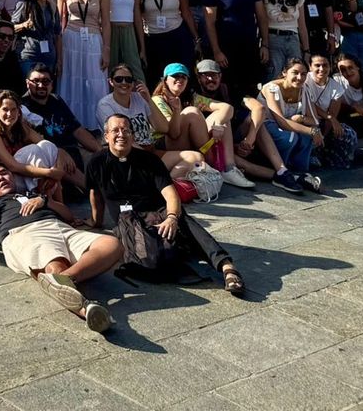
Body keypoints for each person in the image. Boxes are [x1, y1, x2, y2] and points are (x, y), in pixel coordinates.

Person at [0, 163, 117, 331]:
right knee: (56, 263)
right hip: (25, 233)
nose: (0, 177)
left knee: (111, 244)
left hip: (61, 228)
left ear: (12, 178)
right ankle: (87, 310)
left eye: (4, 173)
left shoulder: (32, 194)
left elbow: (68, 216)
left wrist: (45, 200)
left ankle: (64, 279)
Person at [87, 114, 246, 297]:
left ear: (133, 136)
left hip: (158, 212)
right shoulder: (96, 163)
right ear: (106, 136)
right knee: (150, 259)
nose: (121, 134)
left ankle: (227, 267)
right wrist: (95, 221)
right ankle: (178, 247)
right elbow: (95, 195)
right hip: (129, 219)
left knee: (183, 219)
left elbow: (170, 194)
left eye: (126, 130)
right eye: (115, 130)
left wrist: (171, 217)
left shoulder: (149, 160)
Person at [191, 59, 298, 191]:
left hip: (231, 138)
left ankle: (282, 170)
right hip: (209, 142)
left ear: (220, 76)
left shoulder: (228, 90)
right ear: (198, 78)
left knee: (256, 122)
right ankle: (284, 177)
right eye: (205, 75)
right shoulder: (194, 96)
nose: (210, 79)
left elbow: (259, 108)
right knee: (226, 123)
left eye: (214, 75)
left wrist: (249, 139)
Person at [96, 64, 204, 172]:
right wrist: (149, 158)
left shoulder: (139, 98)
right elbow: (118, 138)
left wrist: (148, 99)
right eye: (119, 79)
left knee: (196, 158)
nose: (124, 82)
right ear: (111, 82)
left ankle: (166, 180)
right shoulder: (105, 105)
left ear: (133, 82)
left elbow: (163, 128)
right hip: (130, 156)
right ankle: (161, 180)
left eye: (128, 79)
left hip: (151, 150)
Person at [0, 88, 81, 196]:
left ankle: (88, 186)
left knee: (46, 146)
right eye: (5, 109)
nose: (9, 114)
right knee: (33, 150)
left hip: (23, 174)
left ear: (19, 112)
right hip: (4, 179)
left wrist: (61, 153)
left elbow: (47, 145)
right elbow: (12, 166)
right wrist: (50, 173)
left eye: (13, 109)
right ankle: (51, 198)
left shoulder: (21, 127)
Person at [148, 63, 238, 181]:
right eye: (175, 76)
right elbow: (173, 132)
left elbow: (227, 108)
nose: (180, 79)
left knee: (224, 122)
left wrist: (217, 125)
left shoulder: (190, 98)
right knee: (192, 112)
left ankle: (229, 167)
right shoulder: (158, 100)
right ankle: (215, 166)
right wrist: (177, 110)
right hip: (165, 144)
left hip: (186, 142)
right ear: (165, 80)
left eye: (183, 77)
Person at [202, 0, 270, 96]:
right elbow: (210, 23)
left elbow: (261, 17)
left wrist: (265, 45)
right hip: (226, 49)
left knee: (251, 88)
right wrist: (217, 51)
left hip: (250, 46)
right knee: (228, 90)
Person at [58, 0, 110, 126]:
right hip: (70, 40)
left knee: (96, 80)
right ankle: (73, 125)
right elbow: (60, 22)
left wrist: (106, 49)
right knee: (72, 81)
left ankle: (97, 124)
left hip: (94, 39)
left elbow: (106, 23)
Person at [19, 66, 100, 176]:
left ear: (51, 84)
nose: (41, 85)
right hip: (50, 158)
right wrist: (58, 152)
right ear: (28, 83)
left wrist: (102, 151)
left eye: (45, 81)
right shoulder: (22, 107)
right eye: (36, 81)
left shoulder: (56, 100)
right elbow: (31, 141)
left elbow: (78, 130)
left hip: (73, 151)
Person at [259, 59, 325, 192]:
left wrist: (301, 118)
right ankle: (280, 170)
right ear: (284, 72)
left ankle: (300, 172)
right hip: (266, 126)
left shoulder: (304, 89)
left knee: (306, 136)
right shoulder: (272, 88)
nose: (299, 78)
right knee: (290, 138)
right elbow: (281, 121)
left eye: (304, 74)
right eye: (295, 73)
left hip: (288, 125)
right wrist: (312, 131)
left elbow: (314, 120)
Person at [139, 0, 199, 86]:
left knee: (182, 75)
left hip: (178, 35)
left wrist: (196, 38)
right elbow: (137, 17)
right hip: (153, 38)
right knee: (158, 78)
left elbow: (186, 13)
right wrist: (142, 47)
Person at [302, 53, 360, 169]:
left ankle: (332, 157)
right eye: (317, 65)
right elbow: (310, 104)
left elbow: (333, 114)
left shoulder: (336, 87)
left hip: (323, 122)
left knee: (348, 133)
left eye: (325, 65)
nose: (321, 69)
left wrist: (323, 136)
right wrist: (330, 118)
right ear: (310, 67)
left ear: (330, 67)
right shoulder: (304, 79)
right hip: (304, 119)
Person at [101, 0, 145, 84]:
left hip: (129, 32)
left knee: (135, 71)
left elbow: (137, 17)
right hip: (110, 32)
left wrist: (142, 46)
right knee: (110, 72)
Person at [262, 0, 310, 77]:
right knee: (274, 75)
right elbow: (262, 23)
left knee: (295, 75)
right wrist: (265, 46)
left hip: (293, 39)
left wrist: (306, 50)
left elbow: (302, 25)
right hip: (273, 39)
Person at [11, 0, 60, 84]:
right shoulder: (24, 4)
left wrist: (59, 61)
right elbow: (10, 28)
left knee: (46, 90)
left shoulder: (52, 6)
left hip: (49, 57)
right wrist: (24, 25)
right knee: (32, 86)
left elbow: (57, 34)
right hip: (29, 56)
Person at [0, 19, 25, 94]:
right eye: (2, 36)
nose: (6, 40)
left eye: (10, 37)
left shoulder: (12, 58)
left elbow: (19, 85)